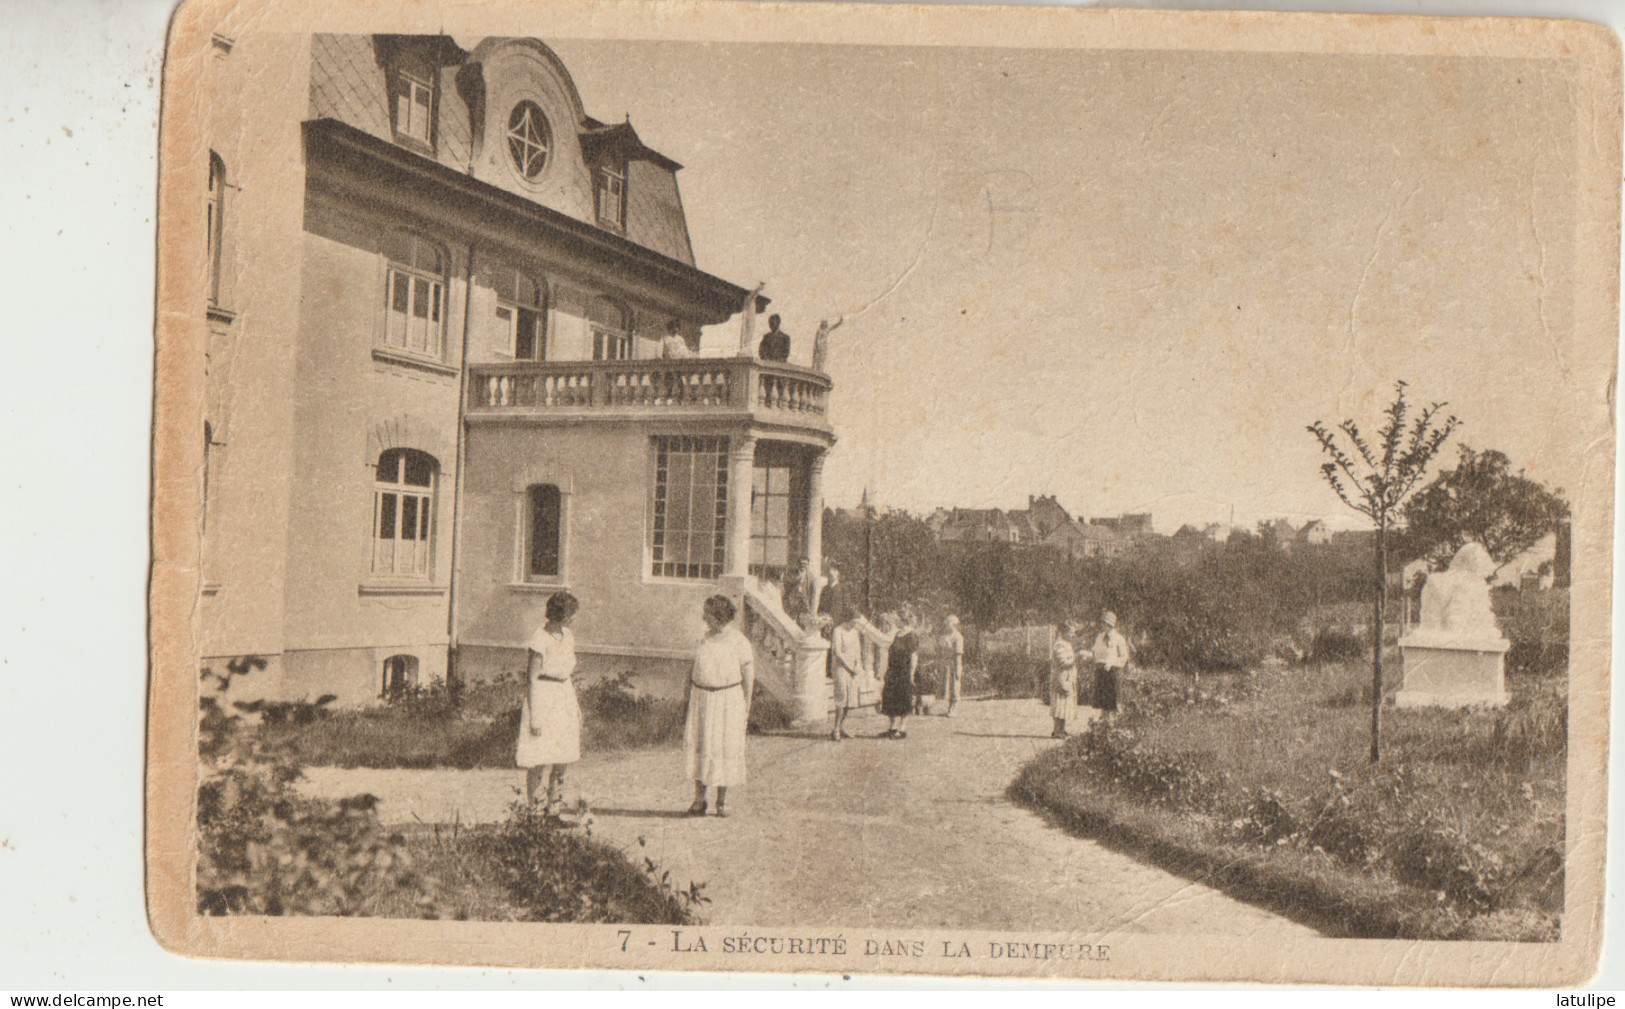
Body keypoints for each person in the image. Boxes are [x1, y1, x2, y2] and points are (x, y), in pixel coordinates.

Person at [684, 594, 755, 817]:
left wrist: (746, 706)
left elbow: (748, 677)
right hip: (702, 699)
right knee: (701, 745)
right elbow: (690, 671)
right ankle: (699, 799)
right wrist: (686, 699)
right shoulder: (701, 639)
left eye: (708, 613)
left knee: (724, 748)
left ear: (719, 617)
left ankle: (721, 802)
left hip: (728, 700)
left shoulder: (739, 641)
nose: (704, 617)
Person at [516, 590, 581, 812]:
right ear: (561, 614)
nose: (573, 619)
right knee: (540, 759)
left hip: (564, 697)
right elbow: (532, 679)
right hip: (544, 698)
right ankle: (535, 811)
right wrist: (535, 718)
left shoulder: (568, 636)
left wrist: (576, 708)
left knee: (563, 756)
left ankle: (554, 808)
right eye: (571, 614)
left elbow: (567, 674)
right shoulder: (540, 638)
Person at [879, 608, 919, 739]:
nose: (894, 620)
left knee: (904, 699)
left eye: (896, 619)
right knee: (890, 698)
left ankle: (902, 728)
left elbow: (913, 655)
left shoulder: (911, 634)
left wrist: (912, 673)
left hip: (904, 671)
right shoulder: (896, 634)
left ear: (903, 620)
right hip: (893, 670)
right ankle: (893, 727)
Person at [829, 605, 865, 742]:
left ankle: (842, 727)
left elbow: (857, 650)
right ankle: (836, 729)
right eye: (853, 622)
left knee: (850, 699)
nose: (855, 625)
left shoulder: (854, 632)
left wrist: (857, 666)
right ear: (847, 619)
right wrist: (849, 666)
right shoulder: (838, 631)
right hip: (840, 668)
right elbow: (837, 652)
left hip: (852, 669)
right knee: (841, 697)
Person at [1092, 610, 1130, 718]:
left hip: (1112, 672)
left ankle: (1111, 726)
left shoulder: (1119, 639)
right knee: (1102, 704)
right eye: (1101, 623)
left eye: (1104, 623)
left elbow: (1124, 657)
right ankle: (1103, 726)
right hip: (1101, 672)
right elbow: (1095, 652)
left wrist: (1112, 663)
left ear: (1110, 625)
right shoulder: (1099, 637)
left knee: (1112, 703)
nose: (1102, 625)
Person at [1049, 620, 1079, 738]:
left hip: (1067, 678)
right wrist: (1077, 657)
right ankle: (1057, 730)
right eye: (1071, 632)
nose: (1073, 635)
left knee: (1065, 704)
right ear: (1064, 632)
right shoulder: (1059, 645)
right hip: (1060, 678)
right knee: (1059, 704)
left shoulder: (1066, 644)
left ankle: (1062, 729)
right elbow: (1063, 662)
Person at [939, 614, 964, 717]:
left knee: (955, 685)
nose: (946, 625)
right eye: (946, 623)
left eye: (948, 623)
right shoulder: (945, 636)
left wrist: (958, 668)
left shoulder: (958, 637)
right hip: (947, 663)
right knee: (948, 685)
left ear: (954, 624)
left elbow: (958, 654)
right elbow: (941, 649)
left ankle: (954, 707)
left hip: (954, 662)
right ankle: (949, 707)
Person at [780, 556, 816, 628]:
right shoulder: (791, 574)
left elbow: (812, 596)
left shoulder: (811, 578)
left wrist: (811, 610)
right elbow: (785, 587)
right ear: (798, 564)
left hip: (803, 605)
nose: (803, 566)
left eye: (805, 564)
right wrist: (798, 578)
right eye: (801, 564)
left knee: (802, 626)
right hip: (792, 604)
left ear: (808, 565)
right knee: (790, 626)